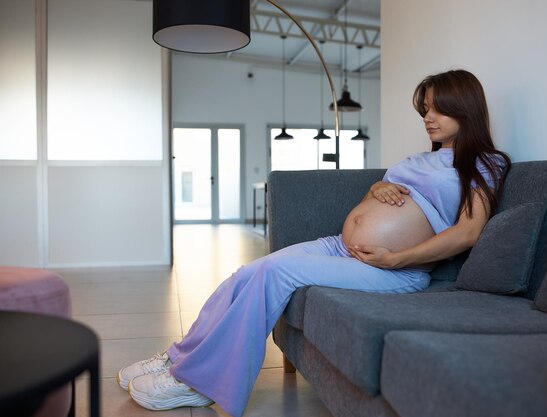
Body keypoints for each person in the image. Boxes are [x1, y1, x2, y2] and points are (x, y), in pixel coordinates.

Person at [117, 69, 511, 417]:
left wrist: (397, 257)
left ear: (466, 108)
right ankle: (177, 356)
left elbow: (469, 231)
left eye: (437, 109)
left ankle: (200, 382)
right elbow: (389, 195)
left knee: (276, 271)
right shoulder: (418, 159)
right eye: (424, 108)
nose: (427, 117)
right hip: (340, 246)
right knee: (248, 271)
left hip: (393, 269)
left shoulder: (485, 163)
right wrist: (379, 187)